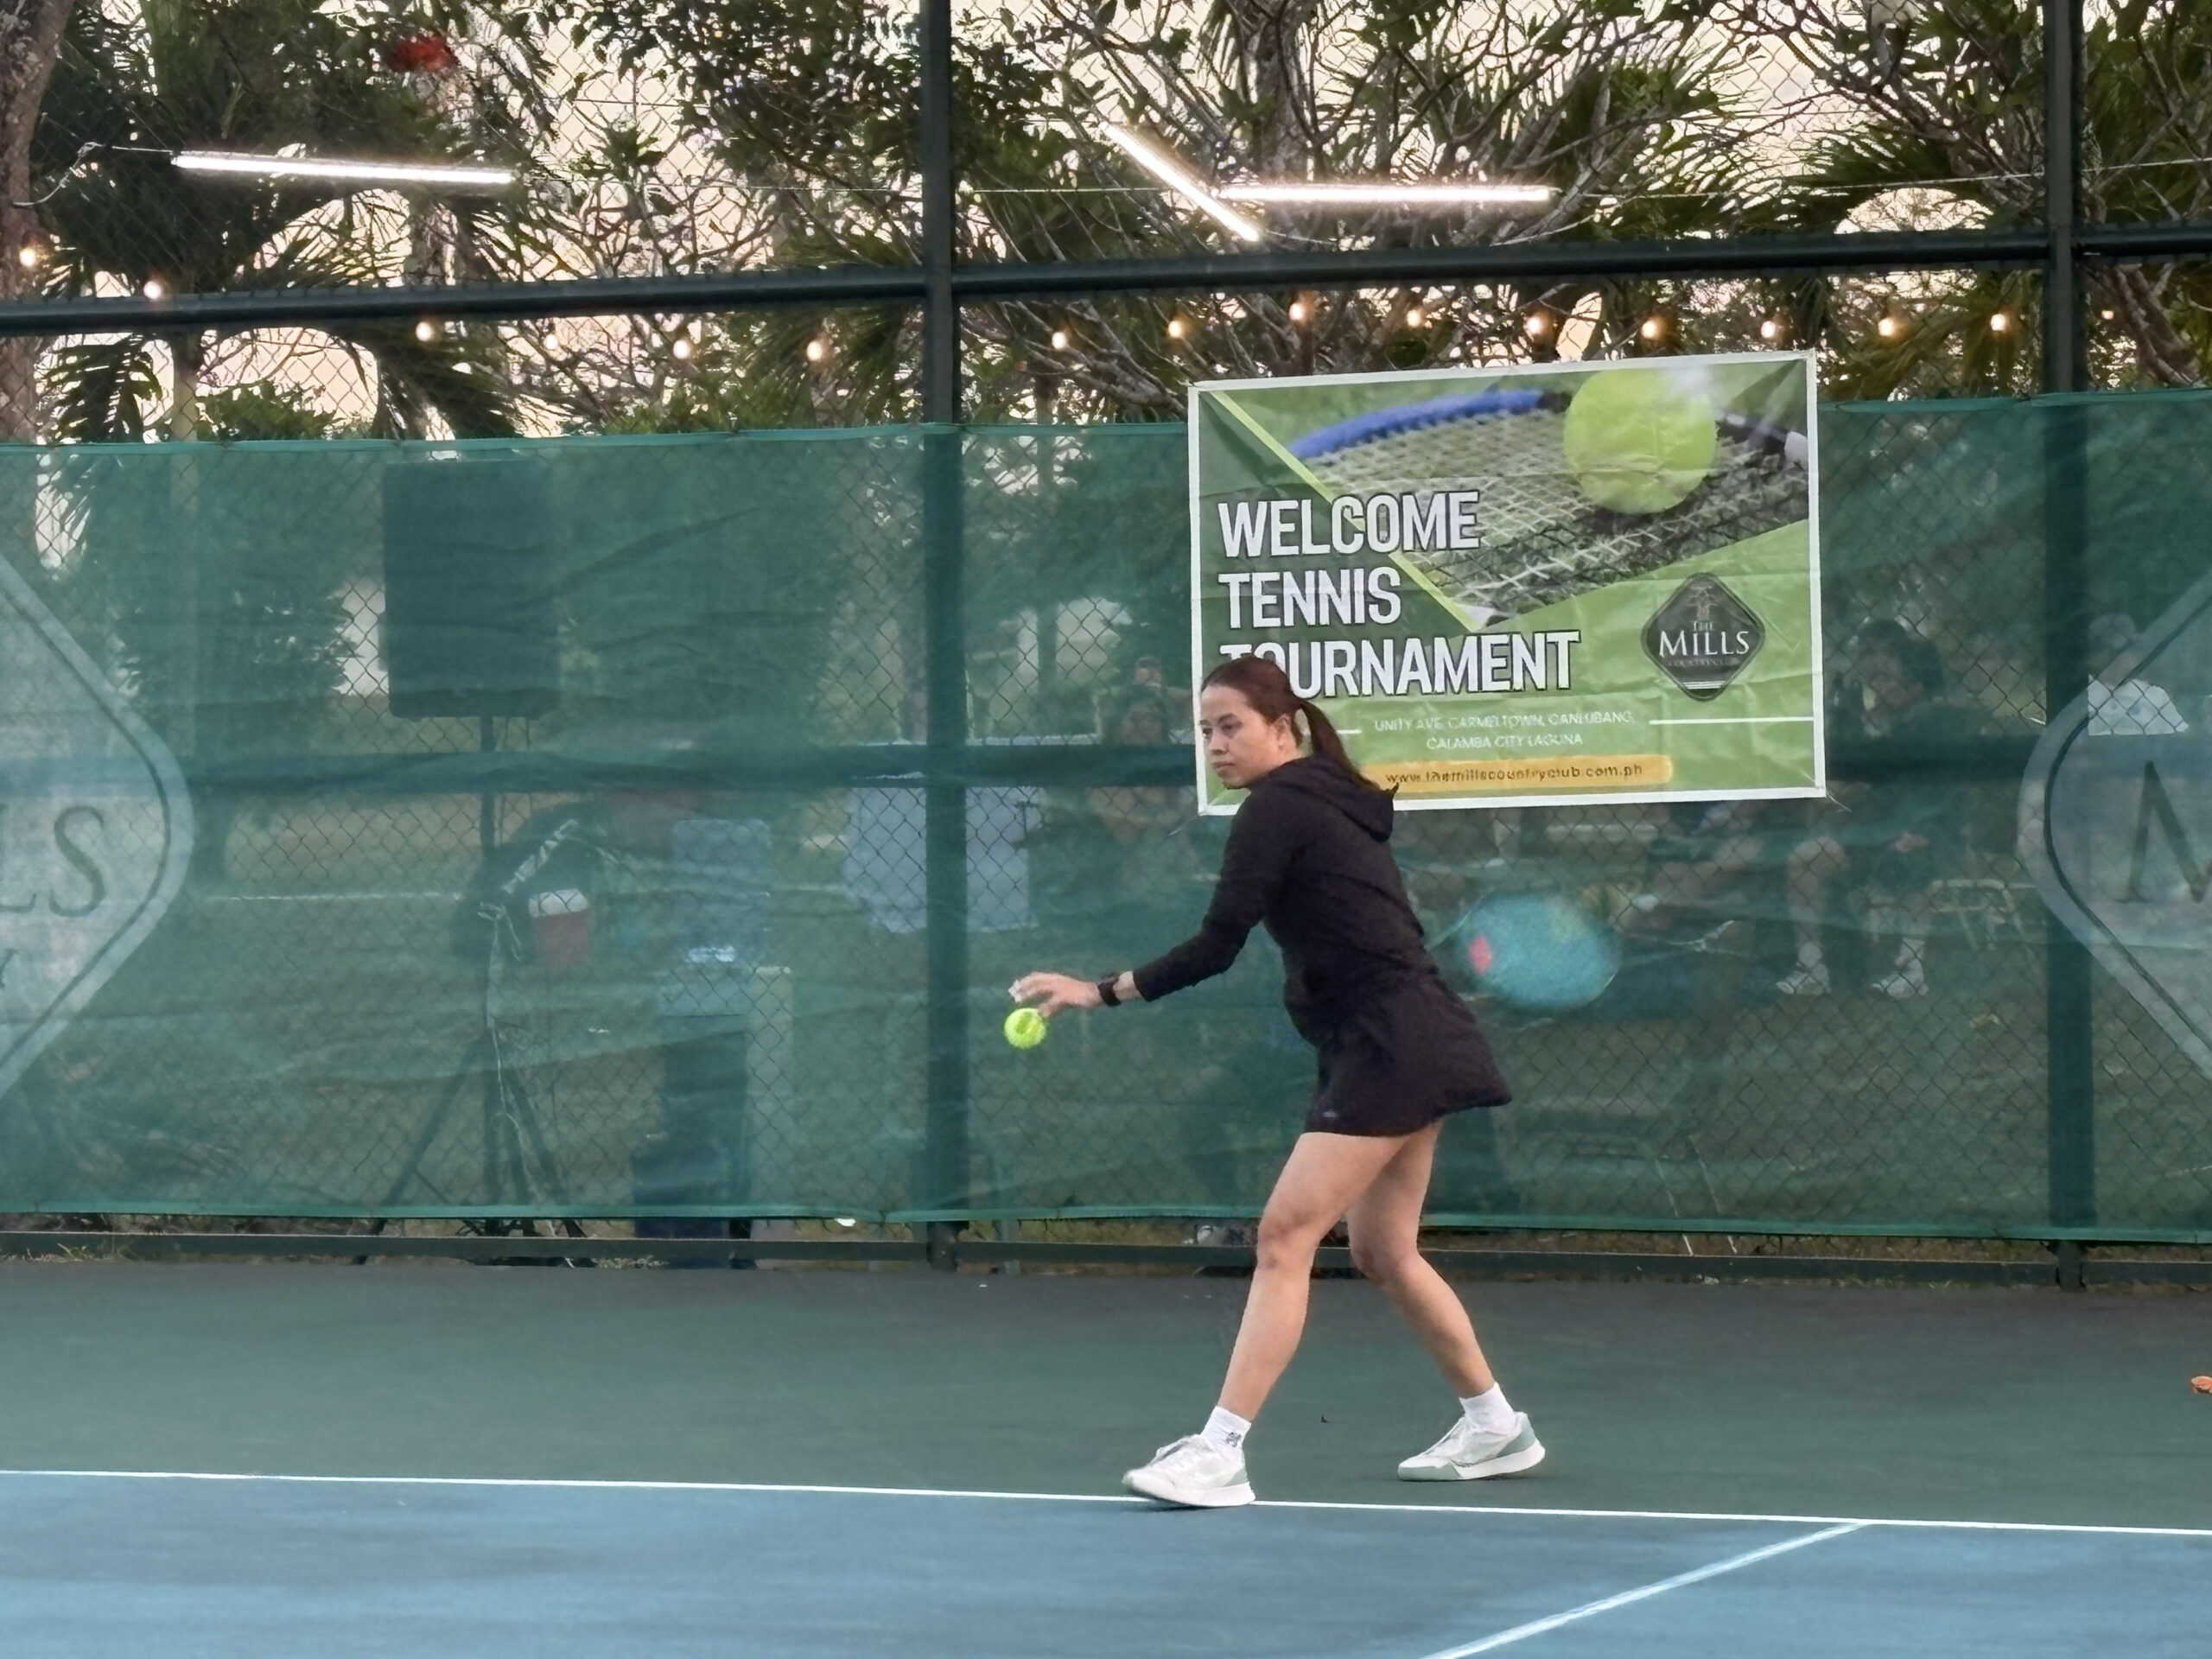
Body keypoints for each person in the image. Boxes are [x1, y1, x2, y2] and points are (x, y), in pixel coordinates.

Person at [1010, 654, 1532, 1510]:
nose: (1215, 744)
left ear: (1282, 728)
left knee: (1285, 1237)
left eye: (1231, 726)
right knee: (1383, 1251)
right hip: (1406, 1036)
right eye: (1204, 731)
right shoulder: (1325, 799)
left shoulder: (1279, 806)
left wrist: (1096, 992)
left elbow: (1216, 946)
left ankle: (1220, 1452)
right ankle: (1495, 1423)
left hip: (1389, 1044)